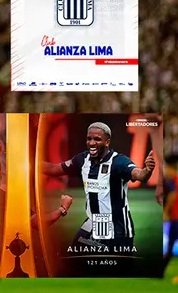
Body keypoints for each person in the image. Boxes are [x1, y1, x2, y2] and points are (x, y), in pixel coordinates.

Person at [41, 121, 155, 253]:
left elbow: (140, 175)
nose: (92, 143)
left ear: (107, 142)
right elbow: (54, 169)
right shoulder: (82, 160)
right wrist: (27, 160)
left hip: (117, 229)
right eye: (89, 139)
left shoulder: (119, 161)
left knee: (113, 269)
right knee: (75, 260)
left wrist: (148, 169)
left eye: (97, 139)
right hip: (93, 223)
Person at [162, 158, 177, 282]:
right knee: (171, 245)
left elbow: (173, 195)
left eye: (167, 169)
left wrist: (166, 211)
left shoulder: (174, 181)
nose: (165, 171)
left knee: (171, 245)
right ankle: (160, 270)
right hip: (175, 219)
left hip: (176, 219)